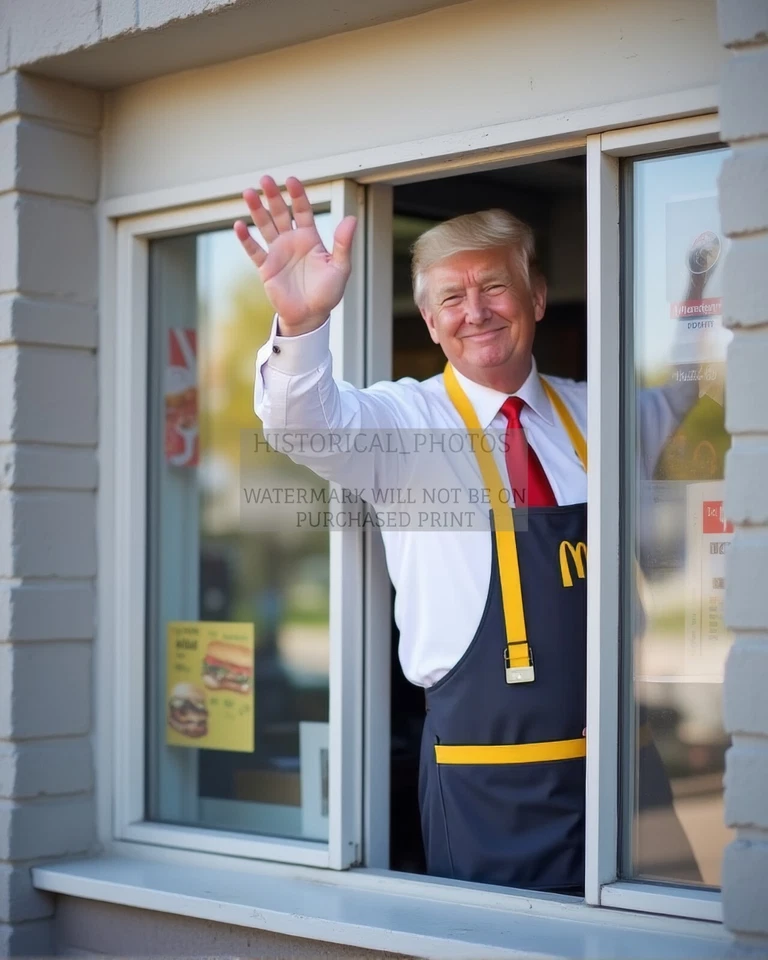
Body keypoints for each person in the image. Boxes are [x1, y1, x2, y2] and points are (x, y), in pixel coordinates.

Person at [235, 175, 698, 894]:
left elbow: (688, 394)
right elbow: (303, 423)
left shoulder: (603, 415)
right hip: (490, 783)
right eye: (451, 298)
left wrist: (707, 300)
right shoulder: (402, 424)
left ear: (536, 298)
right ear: (429, 322)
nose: (475, 312)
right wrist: (302, 326)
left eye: (494, 288)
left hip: (627, 770)